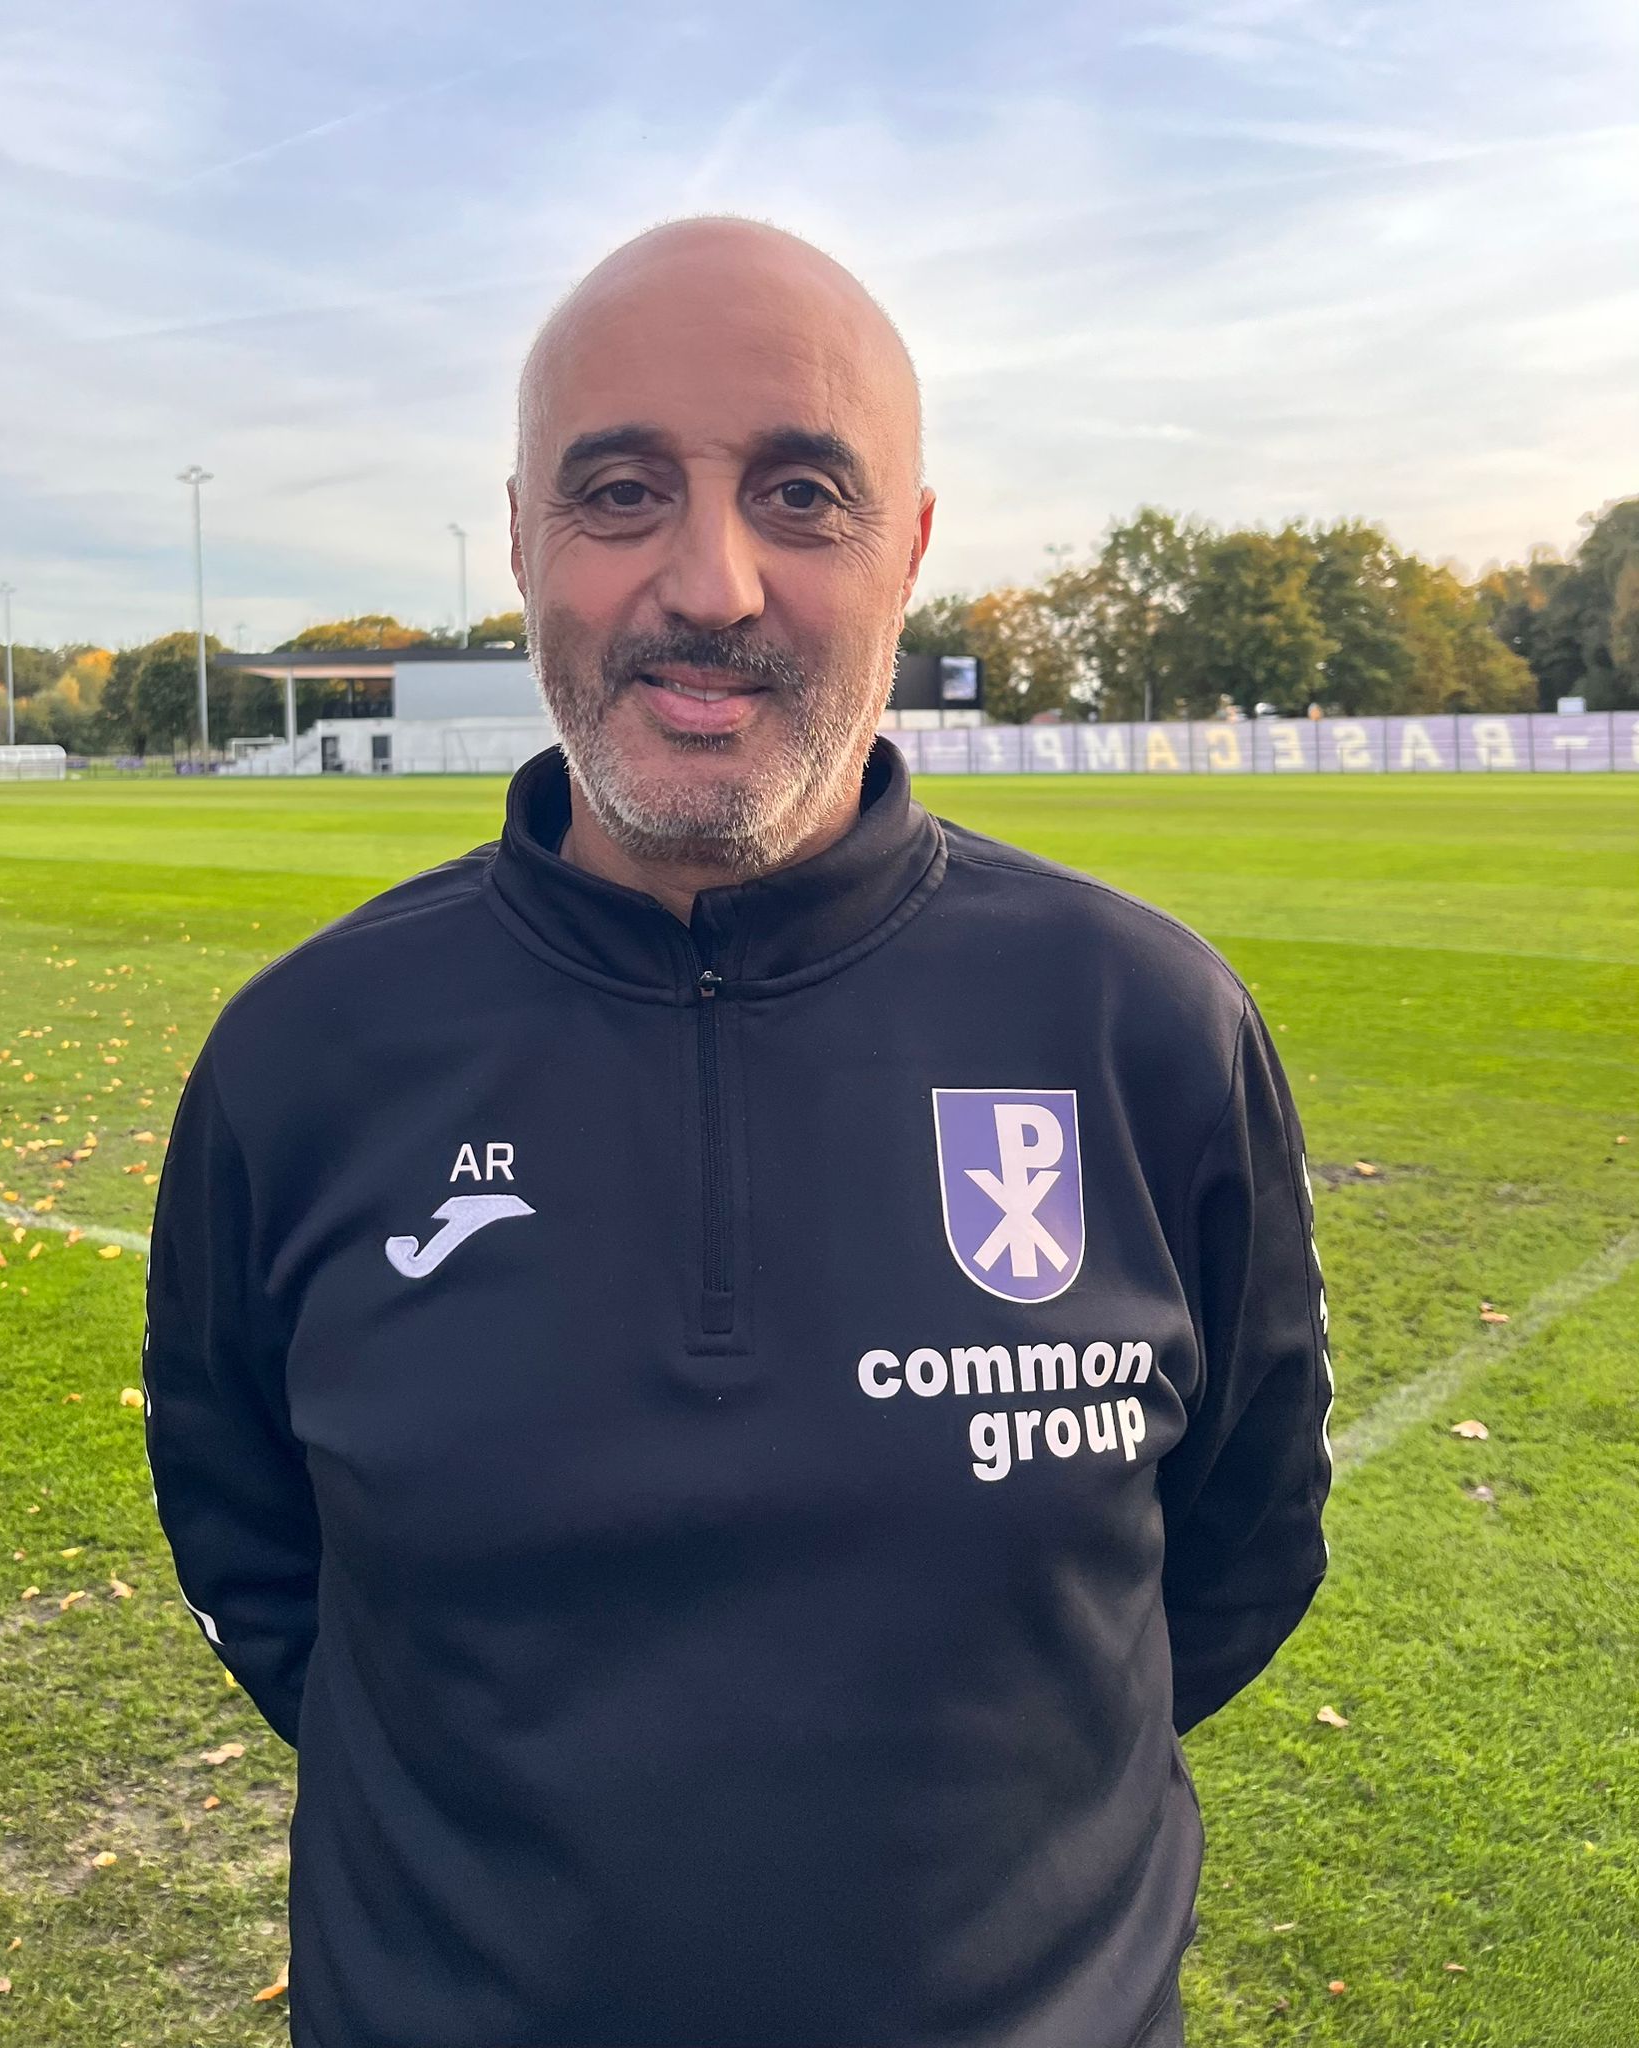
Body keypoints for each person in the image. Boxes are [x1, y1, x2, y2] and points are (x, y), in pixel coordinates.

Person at [142, 216, 1333, 2048]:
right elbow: (256, 1554)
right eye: (621, 493)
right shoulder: (305, 1057)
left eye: (802, 494)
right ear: (522, 538)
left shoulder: (1145, 1026)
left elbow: (1238, 1556)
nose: (710, 583)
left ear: (908, 548)